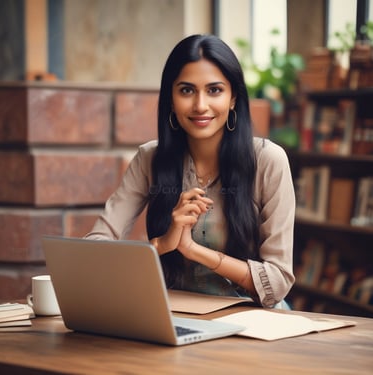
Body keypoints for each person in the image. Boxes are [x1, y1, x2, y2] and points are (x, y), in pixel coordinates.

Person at [85, 34, 295, 309]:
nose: (200, 105)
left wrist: (195, 251)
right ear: (171, 99)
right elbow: (92, 252)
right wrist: (161, 244)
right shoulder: (150, 158)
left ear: (233, 98)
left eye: (214, 90)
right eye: (186, 90)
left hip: (252, 324)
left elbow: (278, 283)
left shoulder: (268, 160)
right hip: (176, 317)